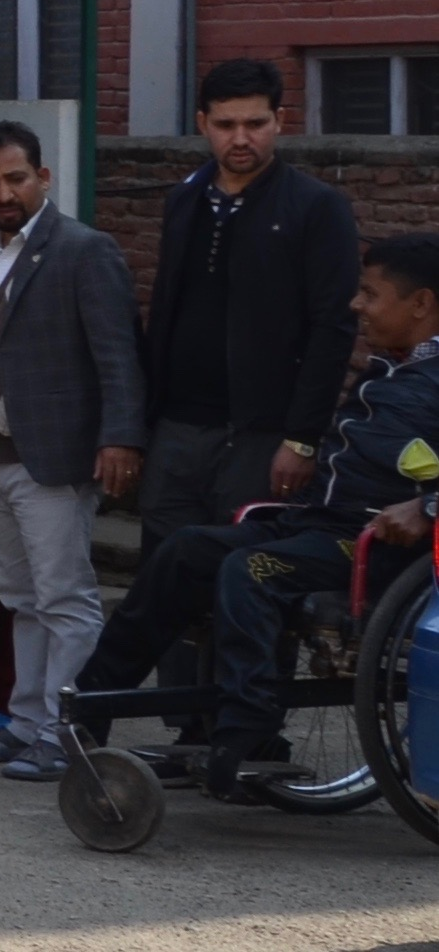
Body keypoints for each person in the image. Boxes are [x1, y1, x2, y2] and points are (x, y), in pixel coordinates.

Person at [78, 231, 439, 797]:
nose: (356, 305)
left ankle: (248, 732)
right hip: (318, 524)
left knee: (252, 570)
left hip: (381, 546)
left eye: (369, 294)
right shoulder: (390, 369)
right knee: (184, 550)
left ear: (420, 304)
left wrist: (427, 504)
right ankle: (93, 700)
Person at [0, 121, 140, 781]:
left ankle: (68, 735)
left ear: (42, 177)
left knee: (63, 595)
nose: (2, 192)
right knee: (18, 596)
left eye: (15, 177)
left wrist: (120, 437)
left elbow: (116, 355)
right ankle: (25, 725)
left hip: (54, 453)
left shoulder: (82, 250)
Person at [136, 59, 362, 539]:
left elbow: (333, 327)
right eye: (226, 125)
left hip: (262, 432)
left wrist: (302, 440)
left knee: (238, 568)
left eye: (255, 124)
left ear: (280, 120)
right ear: (203, 125)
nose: (241, 139)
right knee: (163, 568)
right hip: (175, 428)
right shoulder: (185, 199)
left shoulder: (317, 207)